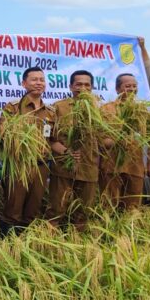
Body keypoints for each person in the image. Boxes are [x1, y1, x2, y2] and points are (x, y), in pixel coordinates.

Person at [0, 67, 53, 229]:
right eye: (34, 79)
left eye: (42, 80)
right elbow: (3, 136)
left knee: (33, 210)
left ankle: (27, 246)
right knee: (13, 211)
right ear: (24, 83)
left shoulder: (51, 112)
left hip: (41, 167)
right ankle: (9, 247)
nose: (39, 83)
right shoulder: (13, 108)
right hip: (19, 166)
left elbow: (54, 140)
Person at [47, 70, 100, 230]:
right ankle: (49, 243)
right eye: (78, 84)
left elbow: (105, 138)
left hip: (89, 168)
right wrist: (66, 151)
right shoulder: (58, 108)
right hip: (63, 168)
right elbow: (48, 138)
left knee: (83, 212)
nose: (82, 88)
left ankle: (79, 245)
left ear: (91, 87)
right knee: (56, 209)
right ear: (70, 86)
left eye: (87, 84)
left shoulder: (99, 110)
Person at [99, 73, 150, 211]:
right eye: (127, 86)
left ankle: (129, 228)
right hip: (112, 164)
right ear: (117, 89)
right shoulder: (106, 109)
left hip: (135, 164)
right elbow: (100, 137)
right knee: (109, 203)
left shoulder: (142, 111)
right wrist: (118, 138)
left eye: (135, 86)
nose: (132, 89)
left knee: (132, 203)